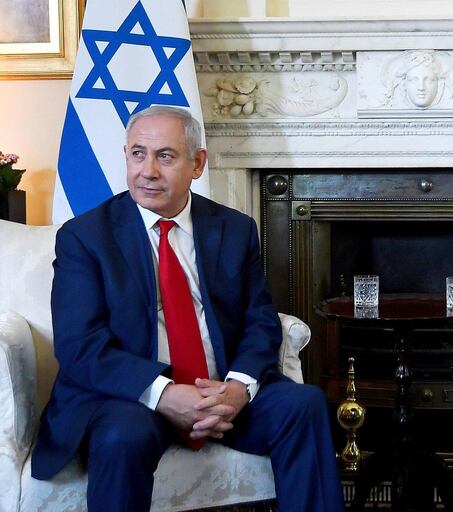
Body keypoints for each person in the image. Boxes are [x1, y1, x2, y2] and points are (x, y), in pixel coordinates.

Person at [31, 105, 345, 512]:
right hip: (129, 400)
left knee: (305, 406)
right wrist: (162, 395)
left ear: (197, 164)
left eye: (165, 156)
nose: (148, 171)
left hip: (220, 391)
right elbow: (80, 346)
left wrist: (238, 388)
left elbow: (259, 320)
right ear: (125, 155)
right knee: (121, 435)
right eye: (138, 154)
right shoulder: (85, 237)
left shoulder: (234, 229)